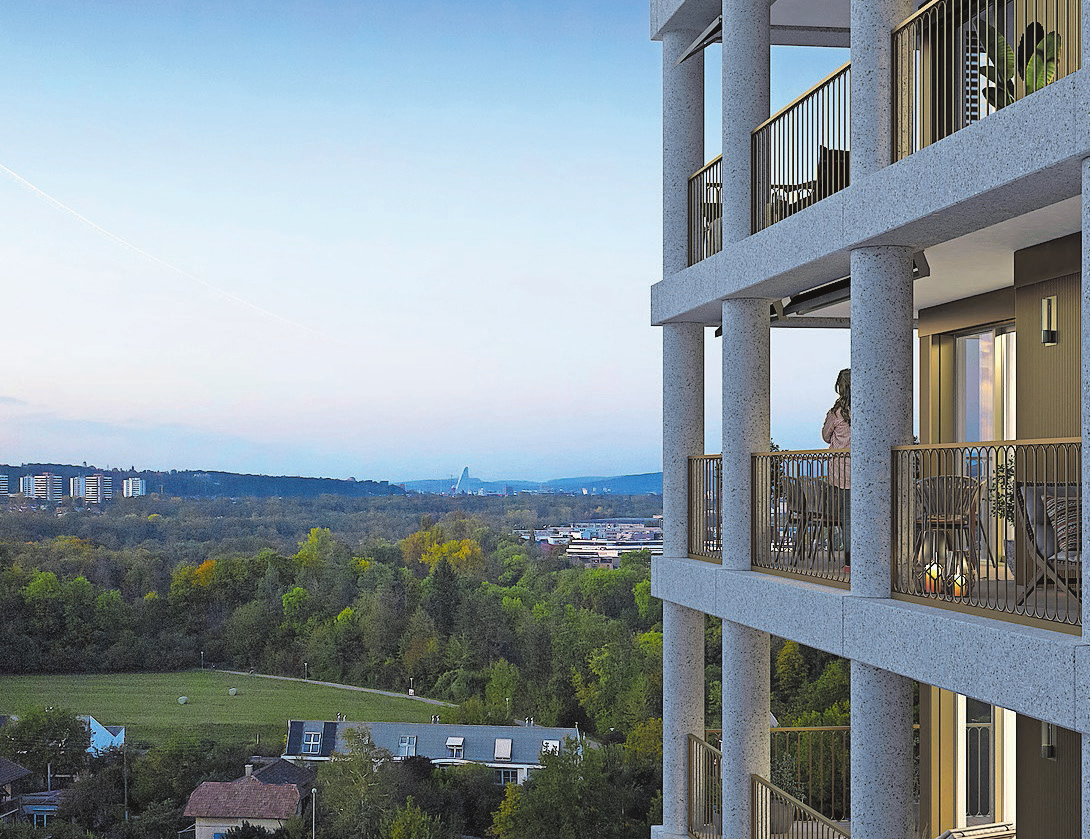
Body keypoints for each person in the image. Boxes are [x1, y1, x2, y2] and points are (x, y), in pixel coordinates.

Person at [821, 368, 851, 566]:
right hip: (864, 470)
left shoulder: (837, 413)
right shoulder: (867, 408)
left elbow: (824, 435)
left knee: (845, 517)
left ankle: (849, 561)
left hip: (840, 471)